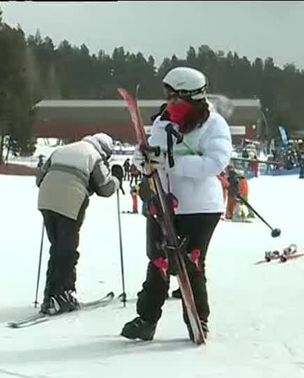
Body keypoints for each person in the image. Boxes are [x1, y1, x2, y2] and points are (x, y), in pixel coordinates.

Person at [121, 66, 232, 341]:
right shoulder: (162, 121)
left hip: (200, 207)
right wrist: (143, 160)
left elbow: (215, 162)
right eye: (168, 97)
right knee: (158, 261)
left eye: (176, 99)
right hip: (164, 202)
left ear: (191, 97)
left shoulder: (213, 124)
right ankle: (147, 318)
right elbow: (146, 153)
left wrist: (173, 163)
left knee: (190, 262)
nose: (171, 104)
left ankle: (198, 319)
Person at [36, 132, 124, 315]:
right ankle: (62, 295)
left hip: (45, 200)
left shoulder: (61, 149)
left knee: (57, 248)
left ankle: (50, 295)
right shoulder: (94, 156)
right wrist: (117, 177)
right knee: (67, 251)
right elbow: (106, 188)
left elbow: (39, 179)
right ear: (105, 150)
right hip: (70, 202)